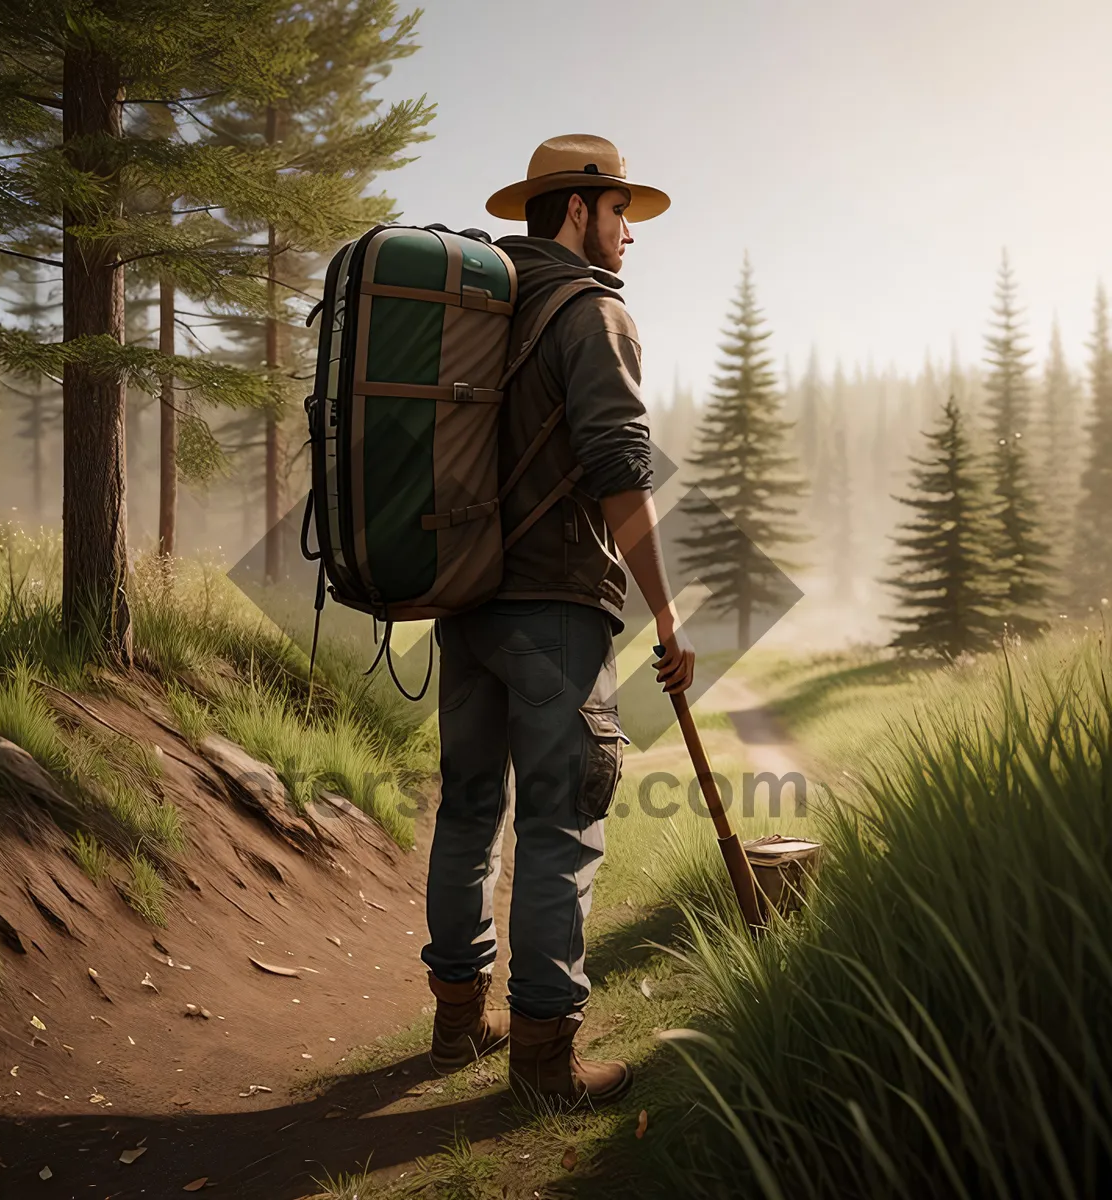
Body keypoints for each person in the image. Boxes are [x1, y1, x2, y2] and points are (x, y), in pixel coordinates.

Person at [420, 134, 695, 1106]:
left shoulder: (484, 305)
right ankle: (544, 1060)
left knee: (467, 811)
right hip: (557, 608)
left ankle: (458, 1023)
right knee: (562, 826)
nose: (630, 234)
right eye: (621, 212)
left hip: (465, 599)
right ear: (577, 209)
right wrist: (667, 614)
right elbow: (620, 469)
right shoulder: (591, 312)